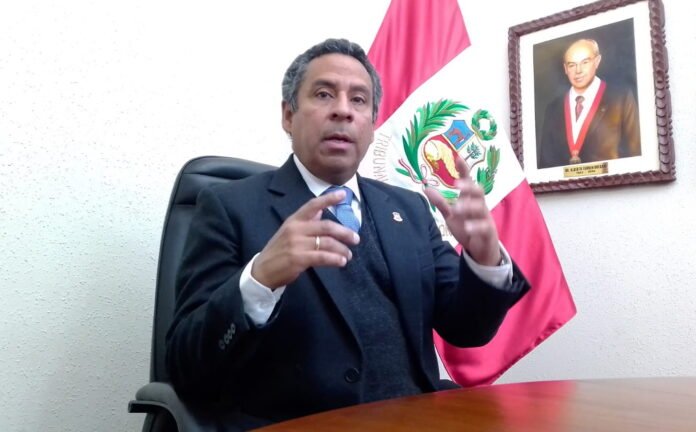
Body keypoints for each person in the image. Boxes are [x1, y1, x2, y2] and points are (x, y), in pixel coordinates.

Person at [165, 38, 530, 430]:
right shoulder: (229, 207)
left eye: (359, 100)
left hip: (417, 420)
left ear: (372, 125)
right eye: (324, 94)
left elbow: (468, 330)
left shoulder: (408, 208)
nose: (343, 110)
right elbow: (186, 367)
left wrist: (484, 261)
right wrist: (259, 280)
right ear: (288, 115)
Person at [538, 38, 641, 169]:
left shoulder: (621, 98)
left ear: (597, 61)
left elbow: (635, 152)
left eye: (585, 62)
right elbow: (546, 164)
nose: (578, 70)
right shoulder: (553, 108)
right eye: (572, 65)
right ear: (565, 68)